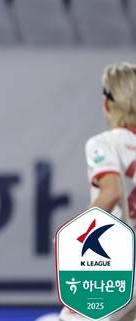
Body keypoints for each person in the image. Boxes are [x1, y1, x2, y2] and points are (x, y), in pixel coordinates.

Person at [58, 62, 136, 321]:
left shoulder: (105, 143)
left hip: (117, 264)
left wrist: (75, 232)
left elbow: (112, 191)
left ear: (107, 104)